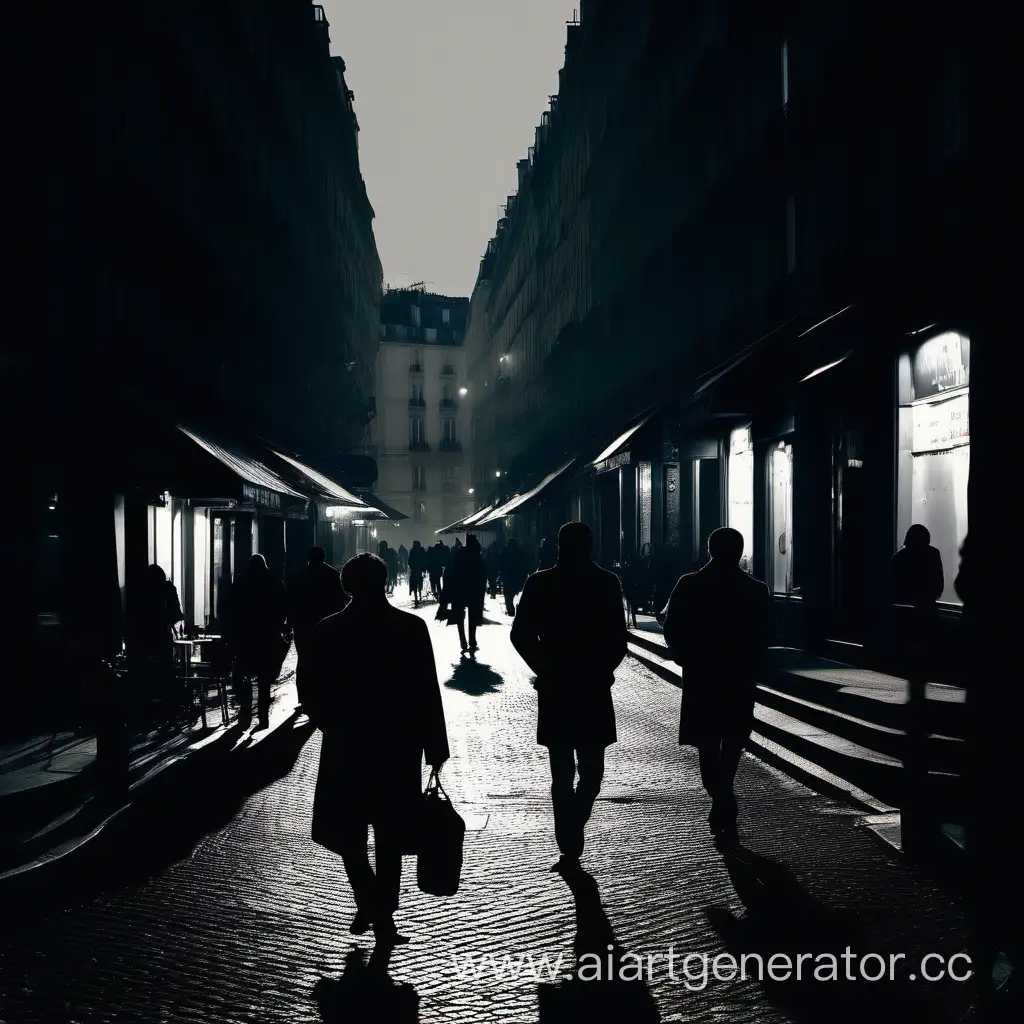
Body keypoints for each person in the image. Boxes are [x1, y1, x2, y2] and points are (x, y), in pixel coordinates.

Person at [304, 553, 450, 945]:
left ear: (347, 586)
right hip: (398, 746)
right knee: (390, 834)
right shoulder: (410, 628)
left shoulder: (328, 630)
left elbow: (310, 690)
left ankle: (369, 901)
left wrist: (331, 725)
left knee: (349, 834)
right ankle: (381, 907)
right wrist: (436, 744)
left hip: (347, 745)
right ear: (384, 582)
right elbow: (426, 691)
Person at [511, 522, 627, 872]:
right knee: (591, 770)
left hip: (557, 687)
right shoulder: (606, 583)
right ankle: (574, 827)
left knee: (561, 769)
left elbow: (521, 635)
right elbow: (617, 639)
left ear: (557, 546)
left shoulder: (540, 582)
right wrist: (602, 668)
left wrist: (544, 667)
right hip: (591, 687)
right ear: (590, 546)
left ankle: (568, 831)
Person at [661, 527, 771, 846]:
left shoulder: (690, 584)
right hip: (738, 676)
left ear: (710, 550)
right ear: (739, 552)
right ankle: (724, 796)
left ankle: (721, 798)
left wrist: (685, 657)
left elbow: (672, 628)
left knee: (707, 743)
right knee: (733, 741)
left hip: (702, 675)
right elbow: (764, 634)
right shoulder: (755, 589)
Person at [224, 553, 288, 730]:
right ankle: (263, 716)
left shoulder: (241, 583)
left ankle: (245, 709)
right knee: (264, 679)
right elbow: (283, 607)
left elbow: (229, 609)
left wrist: (231, 633)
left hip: (246, 637)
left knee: (242, 675)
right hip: (268, 637)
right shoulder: (274, 582)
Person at [287, 547, 347, 709]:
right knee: (326, 660)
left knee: (304, 660)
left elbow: (290, 601)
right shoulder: (334, 575)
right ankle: (325, 694)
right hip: (328, 625)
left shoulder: (299, 576)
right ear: (324, 557)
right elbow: (343, 601)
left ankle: (304, 698)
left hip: (303, 625)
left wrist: (290, 622)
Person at [441, 534, 488, 654]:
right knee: (472, 617)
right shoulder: (478, 556)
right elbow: (483, 575)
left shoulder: (458, 555)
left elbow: (449, 572)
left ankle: (463, 641)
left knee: (459, 617)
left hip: (458, 590)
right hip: (473, 590)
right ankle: (472, 641)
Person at [499, 538, 527, 616]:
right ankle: (512, 610)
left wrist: (502, 576)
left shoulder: (505, 552)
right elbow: (524, 565)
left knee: (508, 596)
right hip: (516, 578)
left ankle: (511, 611)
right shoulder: (520, 552)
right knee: (512, 595)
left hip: (508, 577)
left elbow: (501, 564)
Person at [408, 540, 427, 606]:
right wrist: (424, 569)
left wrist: (411, 567)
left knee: (414, 583)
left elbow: (409, 561)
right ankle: (420, 595)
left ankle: (416, 597)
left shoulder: (412, 551)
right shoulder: (421, 550)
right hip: (420, 570)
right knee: (419, 582)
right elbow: (424, 559)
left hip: (414, 570)